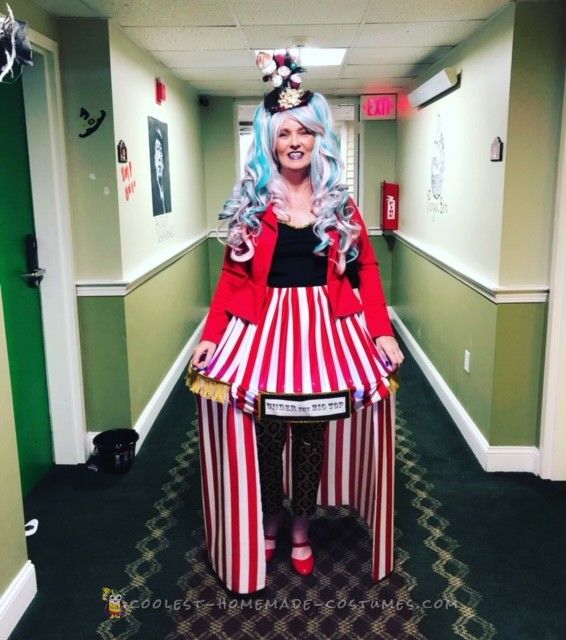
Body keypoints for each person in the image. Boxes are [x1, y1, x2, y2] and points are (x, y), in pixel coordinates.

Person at [188, 49, 404, 593]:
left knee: (309, 436)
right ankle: (270, 516)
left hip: (323, 333)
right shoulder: (253, 204)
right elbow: (232, 281)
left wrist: (381, 330)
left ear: (319, 137)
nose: (294, 143)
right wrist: (211, 338)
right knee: (264, 433)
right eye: (284, 133)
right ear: (269, 141)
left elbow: (366, 269)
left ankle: (302, 525)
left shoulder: (340, 203)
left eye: (304, 131)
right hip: (263, 333)